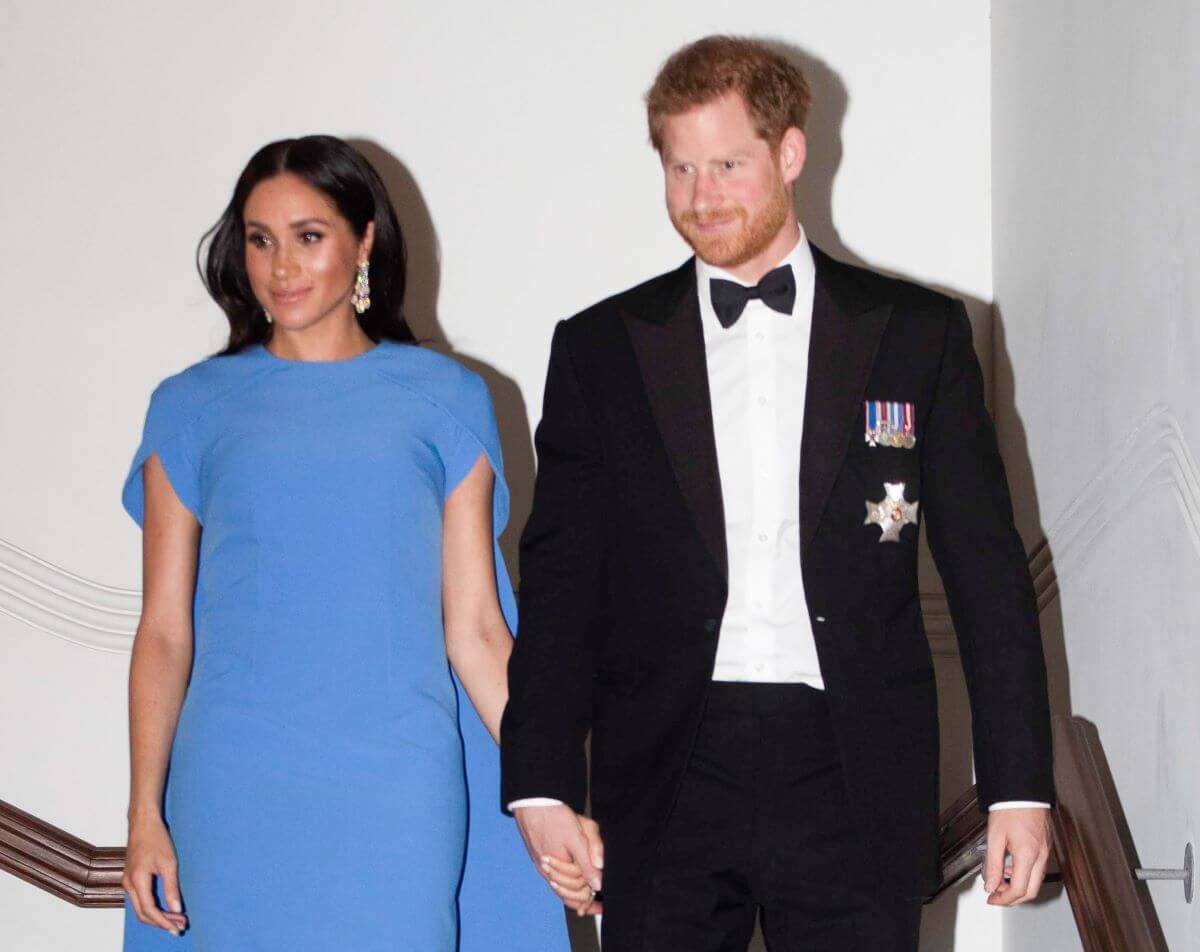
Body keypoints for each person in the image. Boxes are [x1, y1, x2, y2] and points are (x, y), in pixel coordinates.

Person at [501, 36, 1055, 950]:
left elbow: (988, 573)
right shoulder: (600, 349)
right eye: (679, 168)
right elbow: (561, 582)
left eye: (726, 164)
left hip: (852, 762)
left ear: (790, 153)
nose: (700, 195)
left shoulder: (918, 334)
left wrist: (1018, 787)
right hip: (667, 765)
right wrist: (542, 782)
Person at [120, 135, 566, 950]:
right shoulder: (190, 407)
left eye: (309, 236)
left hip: (396, 785)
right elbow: (163, 631)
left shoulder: (445, 398)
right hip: (233, 784)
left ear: (364, 242)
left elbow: (475, 633)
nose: (280, 266)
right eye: (260, 239)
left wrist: (552, 786)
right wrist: (145, 810)